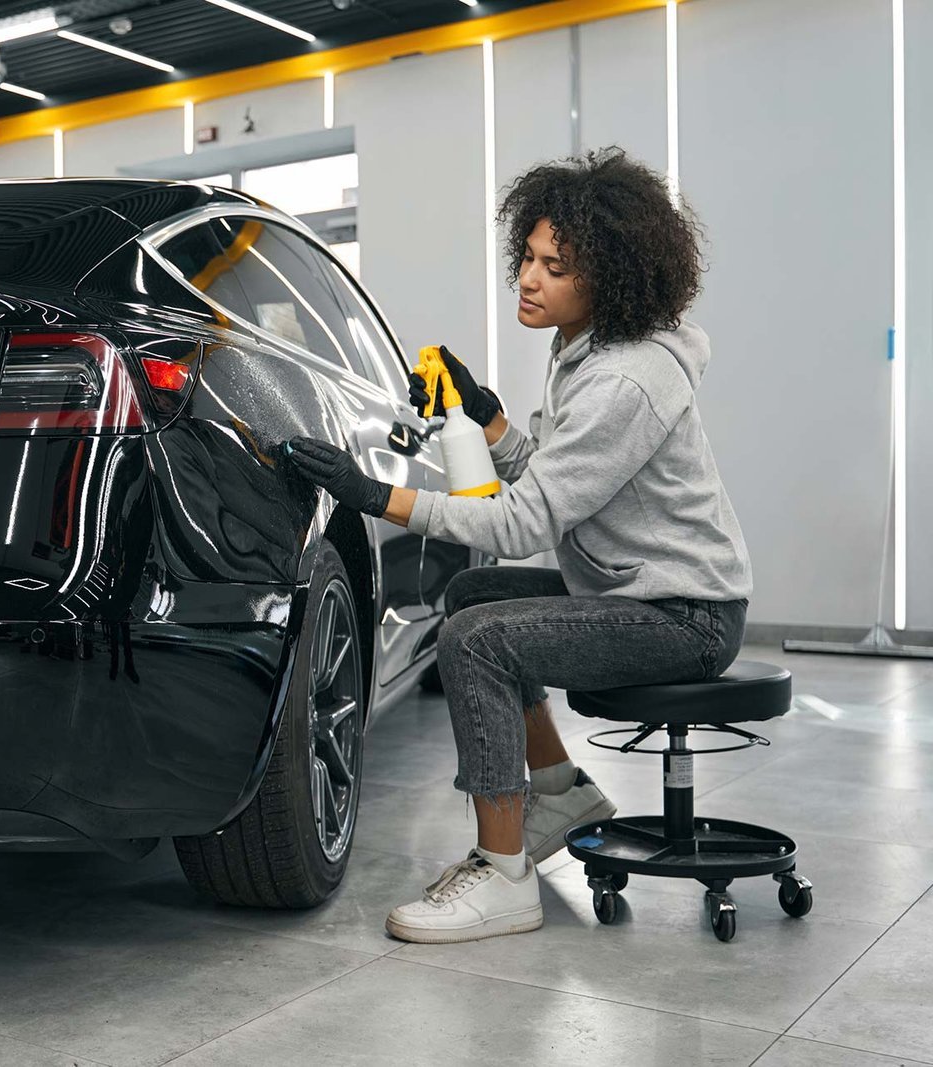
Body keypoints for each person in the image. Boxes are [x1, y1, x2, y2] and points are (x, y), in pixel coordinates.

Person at [286, 148, 751, 944]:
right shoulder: (586, 350)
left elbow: (523, 524)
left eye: (555, 268)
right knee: (471, 594)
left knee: (478, 639)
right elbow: (556, 478)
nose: (528, 280)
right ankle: (560, 790)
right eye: (529, 258)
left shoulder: (623, 380)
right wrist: (487, 413)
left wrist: (375, 495)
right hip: (639, 589)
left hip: (685, 615)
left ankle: (503, 876)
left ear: (612, 276)